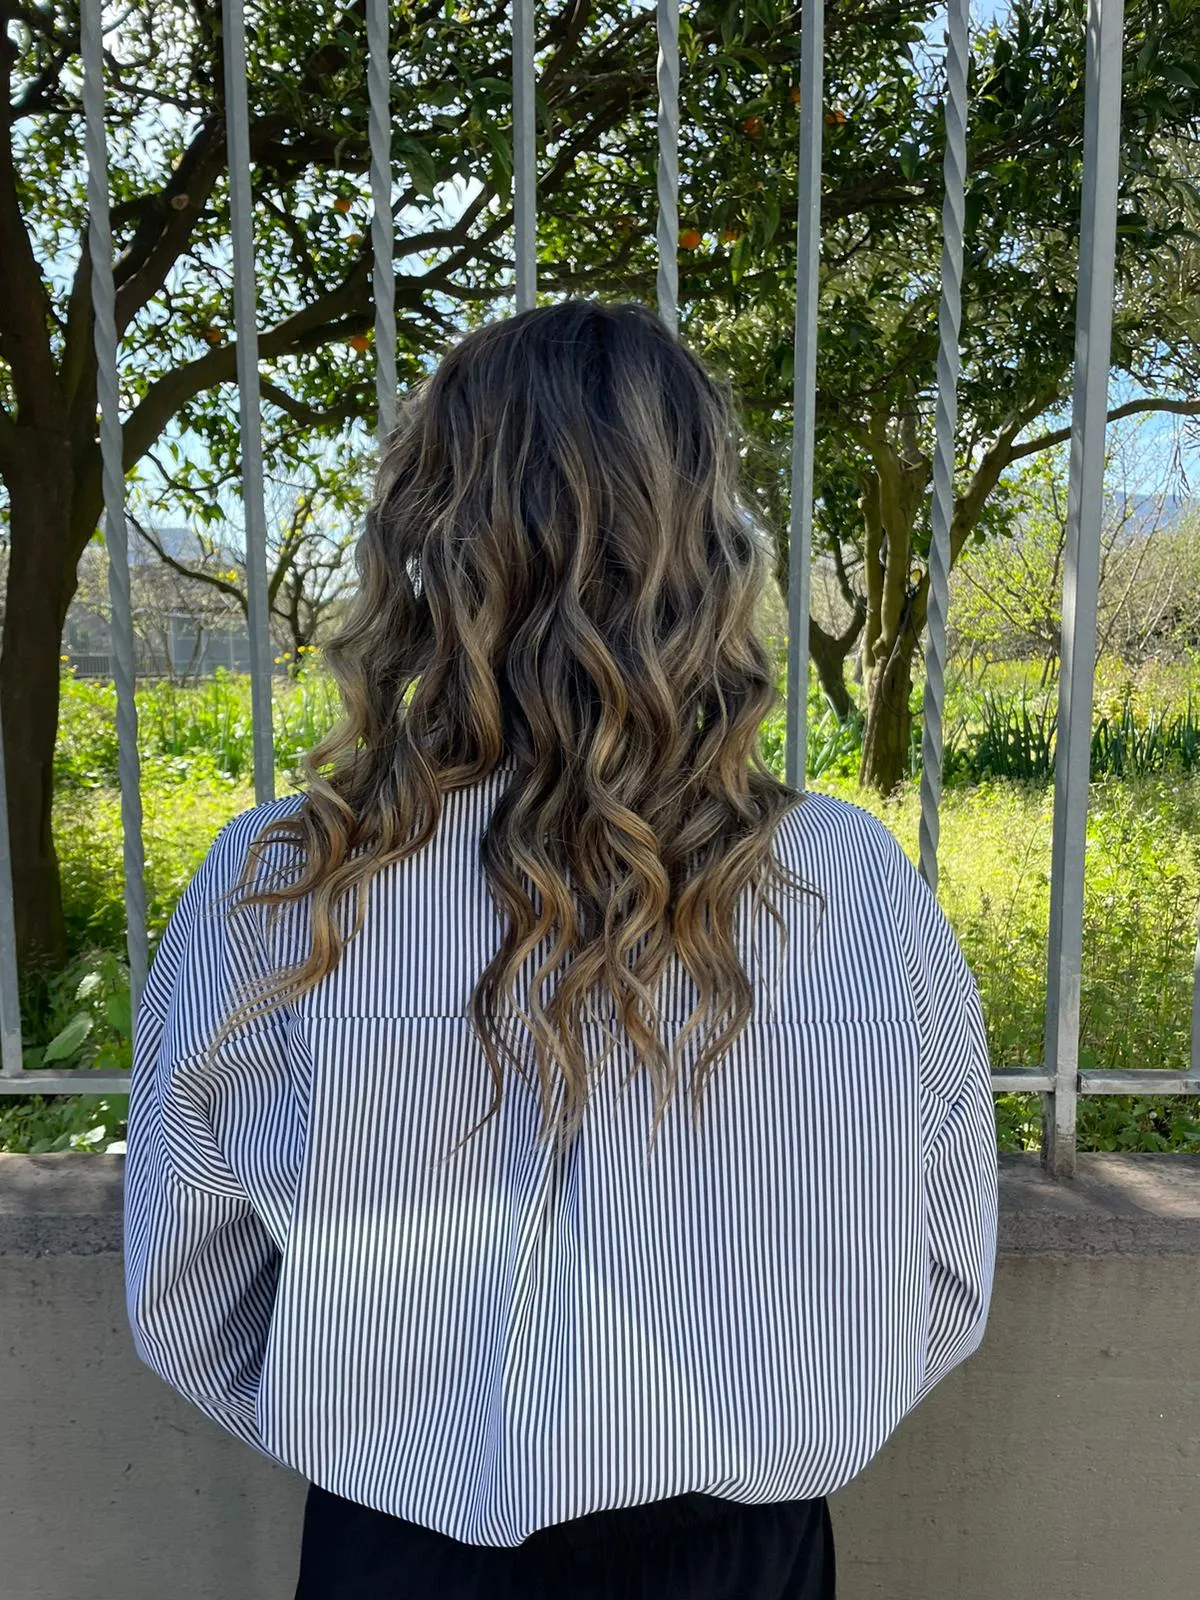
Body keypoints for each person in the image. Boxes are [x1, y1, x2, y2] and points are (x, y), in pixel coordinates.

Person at [123, 298, 999, 1600]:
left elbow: (186, 1285)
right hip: (739, 1559)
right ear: (710, 543)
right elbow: (941, 1275)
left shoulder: (283, 887)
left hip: (400, 1555)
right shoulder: (845, 884)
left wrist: (389, 1441)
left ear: (427, 534)